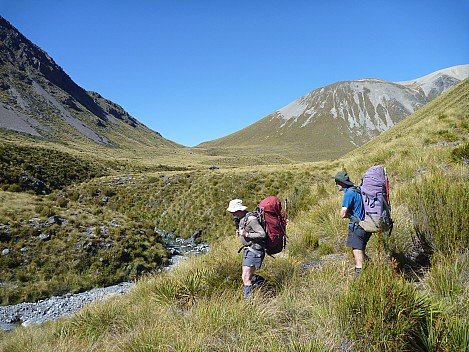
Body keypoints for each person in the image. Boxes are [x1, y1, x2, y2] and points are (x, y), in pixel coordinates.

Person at [332, 171, 371, 277]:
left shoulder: (348, 194)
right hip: (366, 225)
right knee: (361, 251)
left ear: (342, 182)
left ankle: (359, 279)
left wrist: (347, 215)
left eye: (337, 182)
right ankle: (372, 268)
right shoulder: (357, 190)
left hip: (357, 227)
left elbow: (342, 214)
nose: (336, 185)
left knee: (357, 254)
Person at [227, 199, 266, 298]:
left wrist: (246, 234)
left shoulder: (251, 219)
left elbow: (262, 234)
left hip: (255, 250)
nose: (232, 213)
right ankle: (264, 286)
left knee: (245, 276)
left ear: (239, 210)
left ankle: (249, 301)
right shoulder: (242, 219)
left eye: (233, 211)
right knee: (247, 275)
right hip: (249, 249)